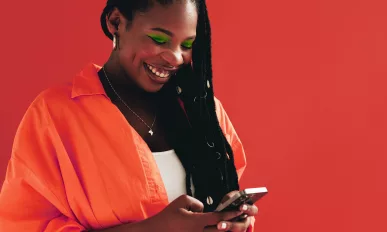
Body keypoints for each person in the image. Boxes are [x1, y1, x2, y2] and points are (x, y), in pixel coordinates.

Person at [0, 0, 259, 231]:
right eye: (159, 39)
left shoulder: (203, 111)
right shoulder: (55, 115)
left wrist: (231, 221)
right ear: (116, 22)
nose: (175, 57)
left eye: (187, 44)